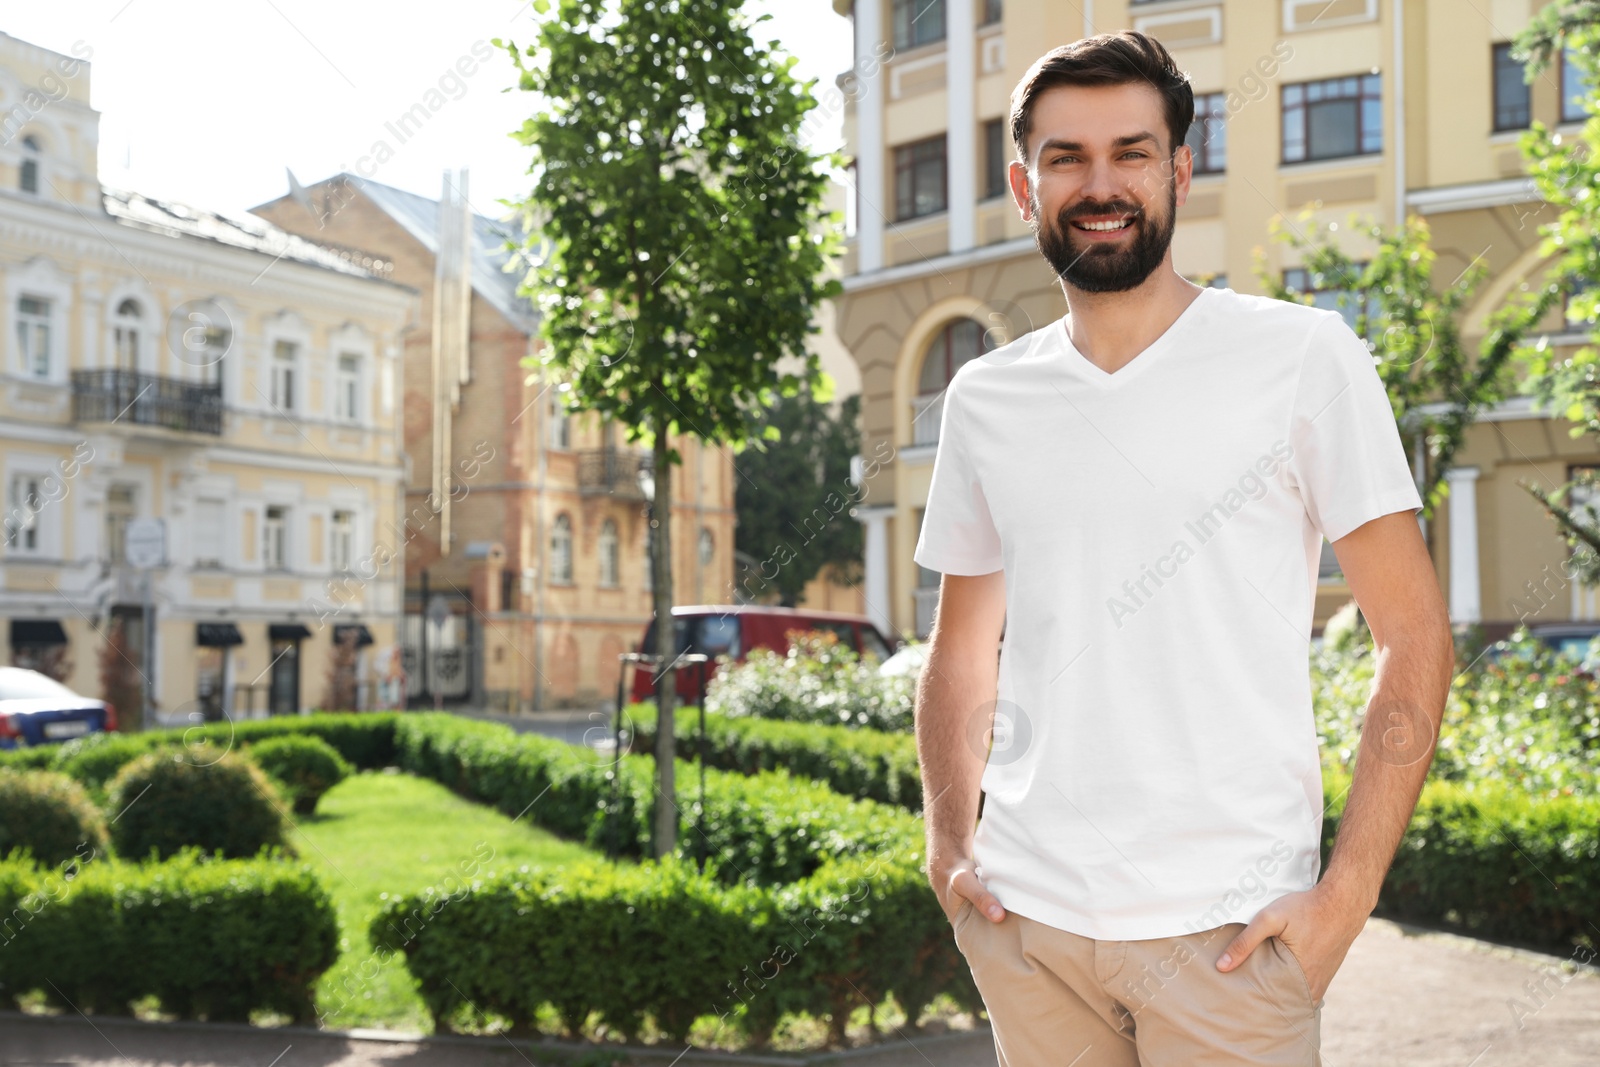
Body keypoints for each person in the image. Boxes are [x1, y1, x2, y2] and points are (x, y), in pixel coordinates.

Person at [911, 30, 1455, 1067]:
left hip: (1229, 943)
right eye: (1065, 158)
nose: (1099, 182)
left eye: (1130, 151)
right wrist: (950, 847)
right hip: (1032, 933)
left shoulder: (1302, 357)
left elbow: (1413, 633)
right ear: (1024, 188)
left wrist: (1345, 895)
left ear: (1179, 171)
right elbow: (962, 646)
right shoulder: (985, 398)